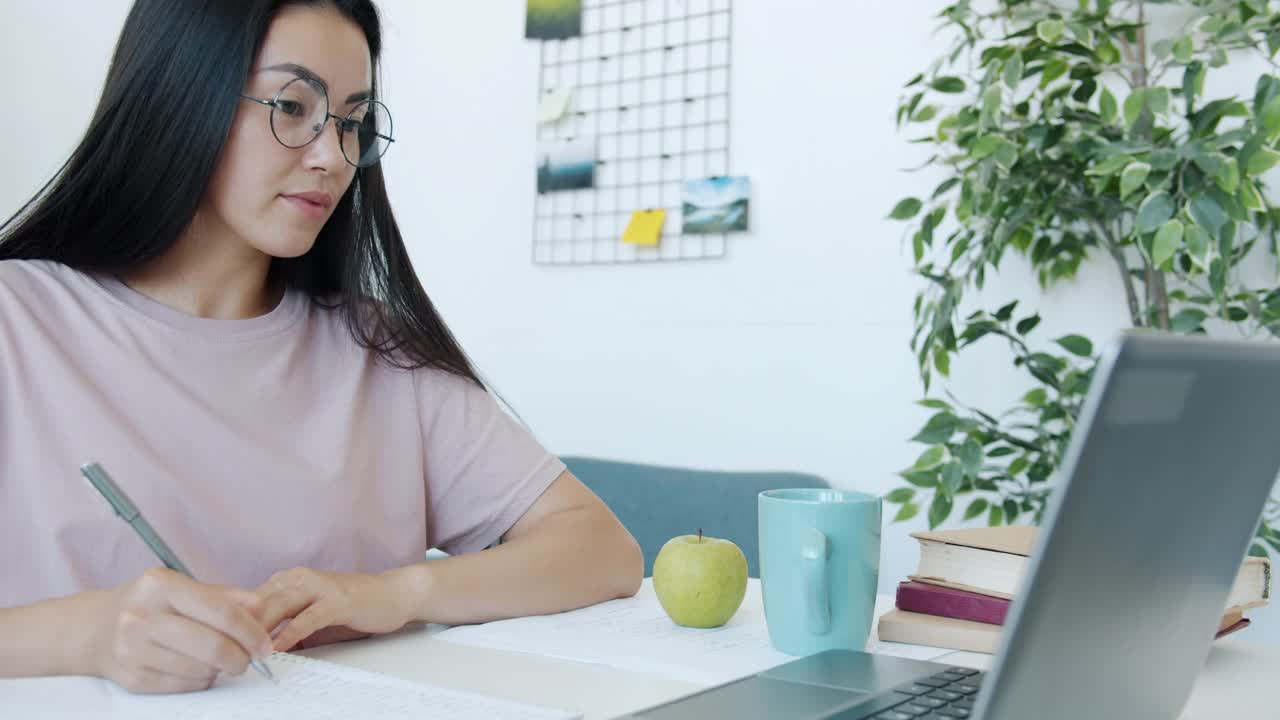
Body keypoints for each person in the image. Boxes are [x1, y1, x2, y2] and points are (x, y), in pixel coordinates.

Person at [0, 0, 642, 694]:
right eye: (292, 106)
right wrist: (87, 634)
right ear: (178, 95)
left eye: (351, 122)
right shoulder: (17, 322)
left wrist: (392, 595)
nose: (332, 156)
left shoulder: (379, 350)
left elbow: (601, 550)